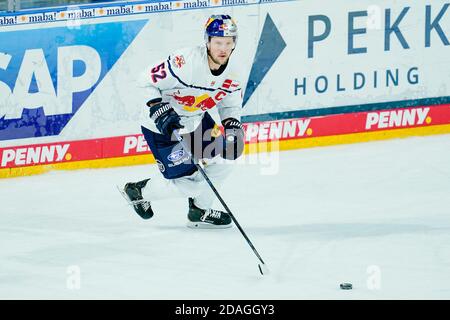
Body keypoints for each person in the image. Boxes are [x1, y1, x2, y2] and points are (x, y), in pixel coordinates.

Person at [122, 15, 245, 229]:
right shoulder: (185, 62)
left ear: (234, 43)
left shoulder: (235, 72)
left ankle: (199, 211)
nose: (223, 48)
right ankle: (139, 191)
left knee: (225, 161)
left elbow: (230, 104)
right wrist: (159, 109)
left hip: (196, 121)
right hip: (161, 126)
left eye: (228, 42)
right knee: (189, 184)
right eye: (217, 42)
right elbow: (144, 81)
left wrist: (234, 128)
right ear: (207, 41)